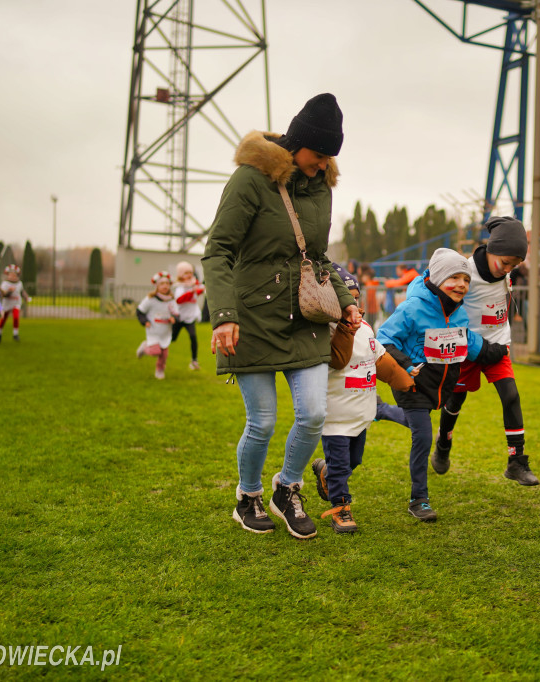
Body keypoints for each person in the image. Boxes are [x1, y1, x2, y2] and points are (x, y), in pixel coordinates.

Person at [202, 93, 359, 540]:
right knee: (264, 421)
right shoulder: (250, 181)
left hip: (304, 320)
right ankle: (247, 496)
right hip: (250, 319)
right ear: (297, 143)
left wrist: (345, 300)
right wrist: (225, 316)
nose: (325, 163)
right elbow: (218, 252)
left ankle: (286, 489)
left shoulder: (321, 186)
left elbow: (319, 258)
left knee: (312, 413)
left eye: (331, 156)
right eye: (319, 153)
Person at [376, 248, 509, 522]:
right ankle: (419, 499)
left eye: (466, 279)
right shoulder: (413, 308)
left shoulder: (459, 313)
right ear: (437, 279)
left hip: (439, 388)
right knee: (423, 437)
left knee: (418, 423)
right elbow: (384, 337)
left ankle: (382, 411)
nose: (461, 284)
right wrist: (405, 365)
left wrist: (497, 351)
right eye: (454, 277)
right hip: (411, 383)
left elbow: (470, 343)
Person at [431, 217, 539, 487]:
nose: (508, 270)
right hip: (468, 348)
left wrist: (501, 337)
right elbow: (437, 296)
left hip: (498, 346)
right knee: (455, 402)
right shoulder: (464, 271)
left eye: (514, 266)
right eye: (505, 263)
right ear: (492, 249)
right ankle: (443, 443)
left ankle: (516, 461)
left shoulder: (504, 269)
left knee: (511, 395)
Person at [310, 265, 414, 533]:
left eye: (355, 298)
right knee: (342, 465)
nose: (352, 305)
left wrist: (405, 380)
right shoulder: (324, 329)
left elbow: (379, 357)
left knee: (354, 459)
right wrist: (346, 329)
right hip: (336, 413)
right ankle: (341, 509)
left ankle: (326, 472)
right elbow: (336, 359)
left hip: (361, 411)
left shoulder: (366, 327)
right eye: (347, 298)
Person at [135, 271, 178, 379]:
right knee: (155, 352)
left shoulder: (171, 300)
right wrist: (144, 321)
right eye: (162, 284)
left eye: (167, 284)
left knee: (164, 355)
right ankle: (144, 348)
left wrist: (174, 319)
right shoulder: (150, 299)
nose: (165, 286)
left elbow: (176, 314)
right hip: (153, 330)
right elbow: (140, 311)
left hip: (165, 332)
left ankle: (160, 370)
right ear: (157, 286)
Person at [172, 261, 206, 371]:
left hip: (189, 318)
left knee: (193, 337)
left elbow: (201, 290)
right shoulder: (180, 287)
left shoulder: (194, 284)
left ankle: (194, 361)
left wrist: (200, 289)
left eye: (190, 272)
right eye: (186, 273)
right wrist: (192, 292)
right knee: (172, 338)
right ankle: (156, 347)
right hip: (179, 317)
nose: (189, 275)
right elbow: (179, 300)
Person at [0, 264, 31, 343]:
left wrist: (26, 297)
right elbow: (3, 295)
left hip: (16, 302)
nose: (12, 276)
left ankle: (15, 334)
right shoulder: (5, 284)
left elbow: (22, 291)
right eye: (11, 275)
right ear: (8, 275)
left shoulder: (19, 283)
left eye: (14, 275)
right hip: (7, 303)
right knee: (3, 318)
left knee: (16, 317)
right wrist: (9, 291)